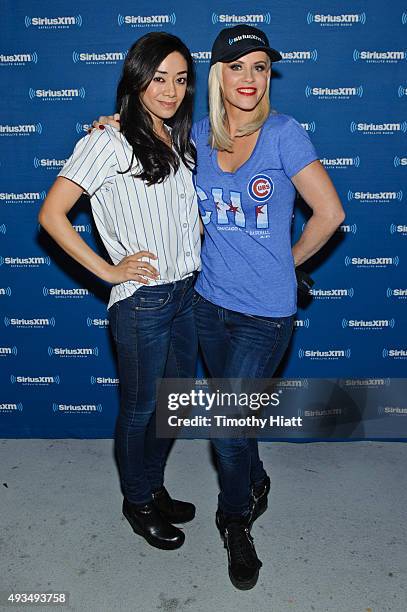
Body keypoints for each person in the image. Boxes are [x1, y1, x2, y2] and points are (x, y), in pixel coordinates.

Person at [92, 24, 345, 590]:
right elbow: (140, 139)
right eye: (237, 66)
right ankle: (251, 480)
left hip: (265, 315)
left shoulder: (284, 134)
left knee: (228, 427)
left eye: (259, 67)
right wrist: (112, 123)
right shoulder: (196, 136)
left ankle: (234, 521)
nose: (249, 78)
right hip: (205, 304)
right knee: (227, 417)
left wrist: (288, 262)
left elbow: (329, 214)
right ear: (217, 76)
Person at [38, 32, 201, 551]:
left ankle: (152, 486)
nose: (170, 91)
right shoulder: (106, 142)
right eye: (158, 79)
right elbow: (51, 215)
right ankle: (137, 502)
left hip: (186, 295)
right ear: (137, 80)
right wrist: (109, 272)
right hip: (145, 302)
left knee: (173, 404)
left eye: (180, 80)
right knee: (138, 409)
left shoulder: (181, 137)